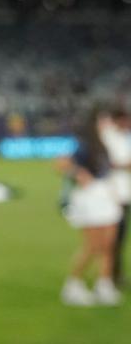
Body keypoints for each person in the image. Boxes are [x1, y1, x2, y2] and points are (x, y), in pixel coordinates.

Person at [60, 108, 122, 306]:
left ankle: (103, 285)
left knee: (109, 245)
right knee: (93, 245)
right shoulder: (84, 144)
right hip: (90, 197)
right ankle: (72, 284)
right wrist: (79, 174)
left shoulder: (105, 142)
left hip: (106, 195)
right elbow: (61, 163)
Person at [100, 107, 131, 286]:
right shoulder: (107, 136)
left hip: (125, 194)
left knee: (121, 237)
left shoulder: (123, 137)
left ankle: (115, 274)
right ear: (118, 120)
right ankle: (109, 276)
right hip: (113, 195)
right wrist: (124, 165)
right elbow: (103, 163)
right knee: (112, 239)